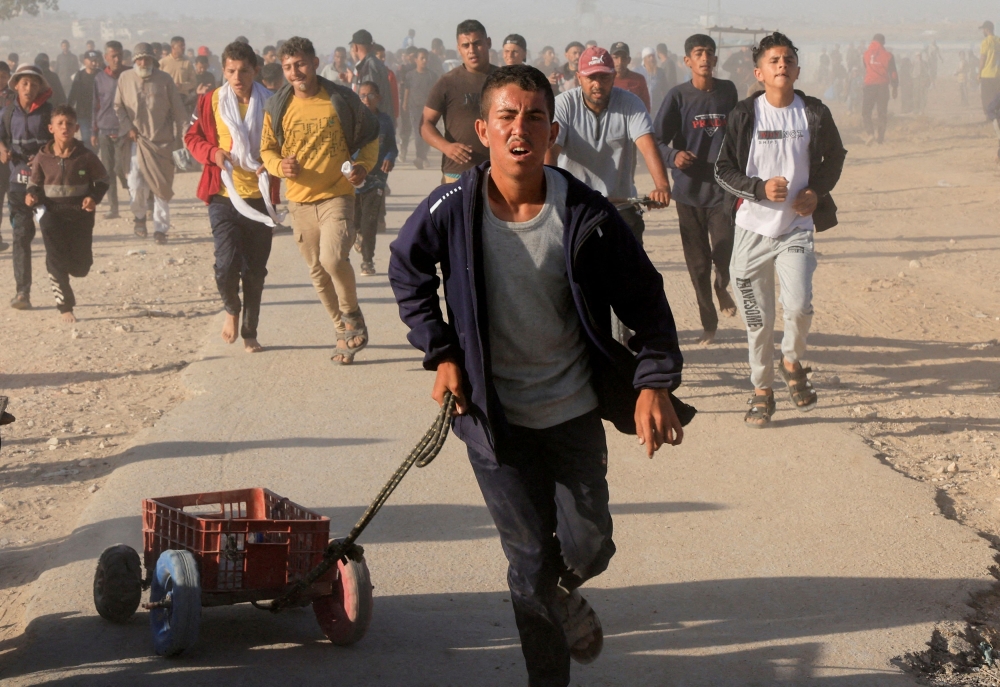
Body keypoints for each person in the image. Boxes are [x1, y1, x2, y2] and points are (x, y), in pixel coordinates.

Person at [389, 63, 688, 687]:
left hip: (573, 409)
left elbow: (646, 299)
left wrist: (654, 381)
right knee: (526, 562)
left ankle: (559, 584)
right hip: (493, 423)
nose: (519, 129)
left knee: (588, 547)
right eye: (506, 116)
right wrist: (441, 351)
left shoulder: (587, 212)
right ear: (483, 128)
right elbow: (407, 270)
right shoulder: (452, 206)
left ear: (552, 132)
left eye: (532, 118)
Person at [714, 32, 846, 428]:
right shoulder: (744, 115)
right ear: (759, 72)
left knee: (800, 305)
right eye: (774, 61)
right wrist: (758, 188)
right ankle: (762, 390)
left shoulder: (814, 112)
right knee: (758, 321)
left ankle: (791, 359)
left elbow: (835, 156)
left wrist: (815, 192)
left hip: (796, 228)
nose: (782, 65)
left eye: (788, 59)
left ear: (798, 70)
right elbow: (723, 170)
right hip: (752, 231)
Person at [260, 36, 380, 364]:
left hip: (336, 196)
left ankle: (351, 314)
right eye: (287, 67)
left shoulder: (341, 98)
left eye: (300, 64)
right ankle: (342, 331)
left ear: (314, 62)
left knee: (331, 259)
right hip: (298, 202)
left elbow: (371, 136)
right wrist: (279, 166)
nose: (295, 72)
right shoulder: (278, 106)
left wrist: (362, 168)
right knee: (317, 271)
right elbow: (267, 149)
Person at [185, 40, 281, 354]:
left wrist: (271, 164)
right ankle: (231, 309)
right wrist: (212, 152)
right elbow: (192, 137)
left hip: (259, 197)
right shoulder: (211, 101)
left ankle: (250, 332)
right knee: (225, 265)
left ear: (255, 70)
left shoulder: (273, 103)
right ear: (223, 70)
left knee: (255, 271)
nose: (237, 77)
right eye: (230, 70)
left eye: (243, 70)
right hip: (223, 193)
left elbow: (286, 144)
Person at [655, 34, 739, 346]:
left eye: (709, 53)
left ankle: (723, 285)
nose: (705, 58)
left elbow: (740, 133)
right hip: (688, 193)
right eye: (698, 53)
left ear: (716, 61)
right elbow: (656, 139)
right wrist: (672, 156)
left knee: (725, 249)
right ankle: (709, 323)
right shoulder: (678, 97)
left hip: (723, 190)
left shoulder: (728, 92)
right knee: (699, 265)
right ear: (687, 61)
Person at [546, 46, 671, 246]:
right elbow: (550, 151)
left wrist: (662, 185)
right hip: (575, 206)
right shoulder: (563, 105)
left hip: (620, 205)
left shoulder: (630, 103)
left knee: (633, 270)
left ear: (613, 77)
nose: (597, 84)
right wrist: (549, 190)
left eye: (604, 78)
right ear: (579, 78)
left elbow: (647, 146)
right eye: (591, 77)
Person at [25, 104, 108, 323]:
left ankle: (68, 266)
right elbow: (34, 185)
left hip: (80, 214)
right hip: (50, 213)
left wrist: (93, 197)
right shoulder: (42, 158)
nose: (65, 128)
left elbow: (102, 181)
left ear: (76, 128)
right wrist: (32, 196)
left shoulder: (86, 157)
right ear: (51, 128)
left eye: (69, 124)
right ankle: (64, 306)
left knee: (81, 268)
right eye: (60, 124)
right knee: (56, 258)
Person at [114, 42, 187, 244]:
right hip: (137, 141)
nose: (143, 62)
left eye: (147, 59)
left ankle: (160, 230)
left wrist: (184, 138)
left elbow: (179, 112)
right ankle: (139, 218)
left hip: (162, 143)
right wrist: (128, 126)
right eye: (139, 59)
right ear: (135, 61)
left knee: (161, 188)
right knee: (135, 184)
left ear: (153, 61)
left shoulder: (165, 80)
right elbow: (118, 107)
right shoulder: (125, 78)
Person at [0, 64, 55, 310]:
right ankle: (23, 292)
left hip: (47, 186)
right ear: (16, 86)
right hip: (18, 183)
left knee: (53, 235)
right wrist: (2, 149)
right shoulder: (8, 113)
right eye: (24, 83)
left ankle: (62, 288)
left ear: (40, 87)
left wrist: (44, 156)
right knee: (21, 236)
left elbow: (62, 142)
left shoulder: (50, 114)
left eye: (33, 84)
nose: (29, 88)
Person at [422, 19, 498, 184]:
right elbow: (426, 124)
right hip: (457, 174)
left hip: (498, 172)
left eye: (477, 43)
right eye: (466, 45)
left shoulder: (504, 80)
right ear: (459, 49)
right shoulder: (448, 82)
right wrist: (446, 147)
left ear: (488, 43)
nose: (472, 50)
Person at [352, 81, 396, 276]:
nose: (366, 99)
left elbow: (392, 146)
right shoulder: (351, 120)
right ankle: (357, 235)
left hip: (376, 176)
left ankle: (367, 261)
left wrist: (389, 157)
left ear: (378, 98)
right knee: (354, 222)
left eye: (370, 95)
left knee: (370, 221)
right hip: (353, 177)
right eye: (362, 95)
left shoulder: (385, 121)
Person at [91, 41, 126, 219]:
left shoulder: (129, 75)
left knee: (122, 167)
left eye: (119, 55)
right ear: (106, 58)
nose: (117, 59)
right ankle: (114, 207)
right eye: (113, 55)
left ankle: (134, 192)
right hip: (105, 128)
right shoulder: (99, 78)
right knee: (108, 171)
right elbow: (95, 105)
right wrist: (93, 131)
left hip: (124, 129)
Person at [861, 34, 898, 145]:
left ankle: (870, 133)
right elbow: (893, 73)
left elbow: (866, 67)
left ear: (872, 41)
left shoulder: (865, 54)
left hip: (870, 86)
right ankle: (880, 138)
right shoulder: (888, 56)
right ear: (883, 43)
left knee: (866, 111)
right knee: (882, 112)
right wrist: (895, 87)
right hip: (883, 86)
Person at [402, 48, 435, 169]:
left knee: (427, 132)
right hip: (414, 108)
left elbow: (434, 93)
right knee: (417, 132)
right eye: (422, 58)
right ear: (416, 60)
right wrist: (405, 103)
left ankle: (423, 156)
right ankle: (419, 157)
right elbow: (407, 90)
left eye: (426, 58)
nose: (425, 61)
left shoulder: (431, 75)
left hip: (428, 108)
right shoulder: (410, 75)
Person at [350, 30, 393, 119]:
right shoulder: (377, 63)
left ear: (355, 47)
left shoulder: (369, 66)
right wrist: (354, 79)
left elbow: (368, 95)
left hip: (373, 120)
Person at [67, 50, 99, 151]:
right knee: (86, 139)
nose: (94, 63)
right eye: (91, 61)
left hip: (99, 114)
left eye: (95, 61)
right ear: (85, 61)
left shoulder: (101, 75)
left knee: (98, 141)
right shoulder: (80, 75)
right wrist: (68, 109)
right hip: (83, 114)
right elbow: (73, 94)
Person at [608, 42, 650, 111]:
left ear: (629, 60)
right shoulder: (604, 80)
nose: (620, 62)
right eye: (616, 57)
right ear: (610, 59)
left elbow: (646, 108)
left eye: (623, 58)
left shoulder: (639, 80)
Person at [158, 36, 196, 110]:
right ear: (173, 47)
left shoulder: (187, 63)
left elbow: (193, 82)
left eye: (184, 45)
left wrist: (182, 86)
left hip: (182, 99)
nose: (183, 47)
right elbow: (156, 80)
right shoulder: (163, 62)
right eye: (181, 45)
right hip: (166, 98)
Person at [0, 62, 12, 252]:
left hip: (13, 153)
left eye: (3, 76)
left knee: (16, 196)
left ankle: (20, 233)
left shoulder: (14, 97)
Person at [638, 46, 670, 113]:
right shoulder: (637, 72)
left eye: (653, 56)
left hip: (657, 108)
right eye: (649, 56)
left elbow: (665, 89)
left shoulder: (660, 72)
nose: (651, 58)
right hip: (642, 108)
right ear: (644, 58)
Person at [979, 21, 1000, 117]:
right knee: (996, 97)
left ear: (987, 30)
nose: (983, 31)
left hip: (986, 74)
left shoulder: (986, 42)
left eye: (983, 29)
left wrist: (978, 73)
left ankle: (990, 118)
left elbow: (983, 59)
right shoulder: (999, 40)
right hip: (997, 74)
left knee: (986, 97)